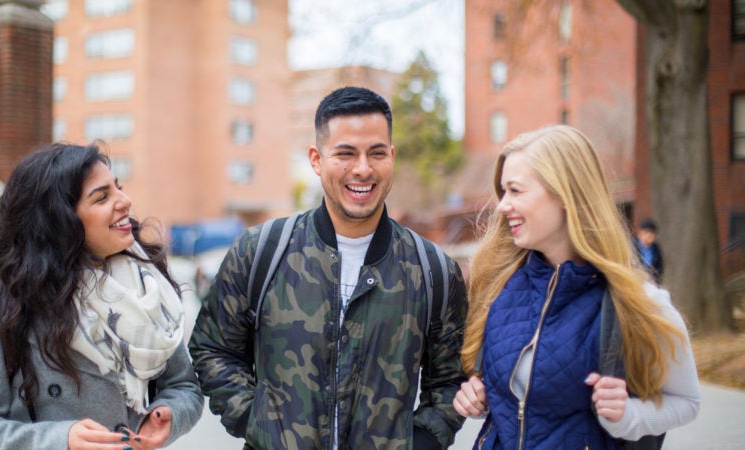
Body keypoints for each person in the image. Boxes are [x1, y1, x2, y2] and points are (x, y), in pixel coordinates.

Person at [189, 86, 468, 449]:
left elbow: (451, 382)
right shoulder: (260, 251)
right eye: (346, 153)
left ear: (392, 157)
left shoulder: (433, 271)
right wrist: (257, 422)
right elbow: (212, 348)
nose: (363, 169)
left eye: (377, 153)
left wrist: (421, 442)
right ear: (317, 159)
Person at [452, 125, 700, 449]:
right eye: (503, 192)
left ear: (564, 194)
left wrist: (628, 415)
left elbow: (687, 402)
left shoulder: (638, 303)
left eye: (516, 190)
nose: (502, 206)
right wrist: (477, 396)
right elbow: (509, 399)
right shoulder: (497, 287)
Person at [0, 143, 203, 449]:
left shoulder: (145, 287)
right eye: (102, 196)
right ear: (60, 219)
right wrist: (59, 440)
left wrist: (170, 415)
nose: (125, 201)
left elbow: (183, 385)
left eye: (118, 188)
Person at [635, 218, 664, 284]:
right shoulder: (633, 248)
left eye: (652, 233)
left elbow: (659, 270)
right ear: (640, 233)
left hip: (652, 285)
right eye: (646, 232)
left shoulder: (657, 250)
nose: (649, 235)